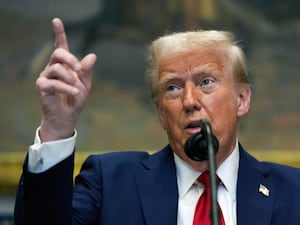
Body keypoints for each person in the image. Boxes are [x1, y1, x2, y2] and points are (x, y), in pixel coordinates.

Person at [14, 17, 300, 225]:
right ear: (161, 112)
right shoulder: (111, 182)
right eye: (173, 87)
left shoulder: (293, 191)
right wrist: (57, 125)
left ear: (242, 100)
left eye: (206, 82)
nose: (189, 101)